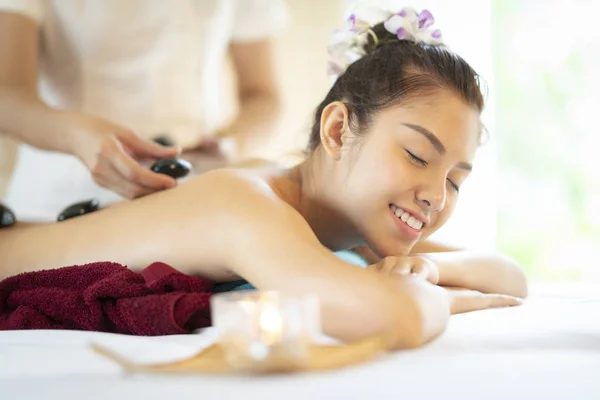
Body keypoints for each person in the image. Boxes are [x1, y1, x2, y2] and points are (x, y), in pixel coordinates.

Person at [0, 6, 527, 349]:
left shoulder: (348, 218)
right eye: (417, 155)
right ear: (339, 130)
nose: (437, 195)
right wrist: (440, 297)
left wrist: (426, 273)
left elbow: (508, 277)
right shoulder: (246, 204)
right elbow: (397, 317)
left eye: (457, 180)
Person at [0, 0, 287, 220]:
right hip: (65, 198)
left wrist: (233, 142)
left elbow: (261, 95)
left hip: (195, 195)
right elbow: (8, 97)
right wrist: (76, 136)